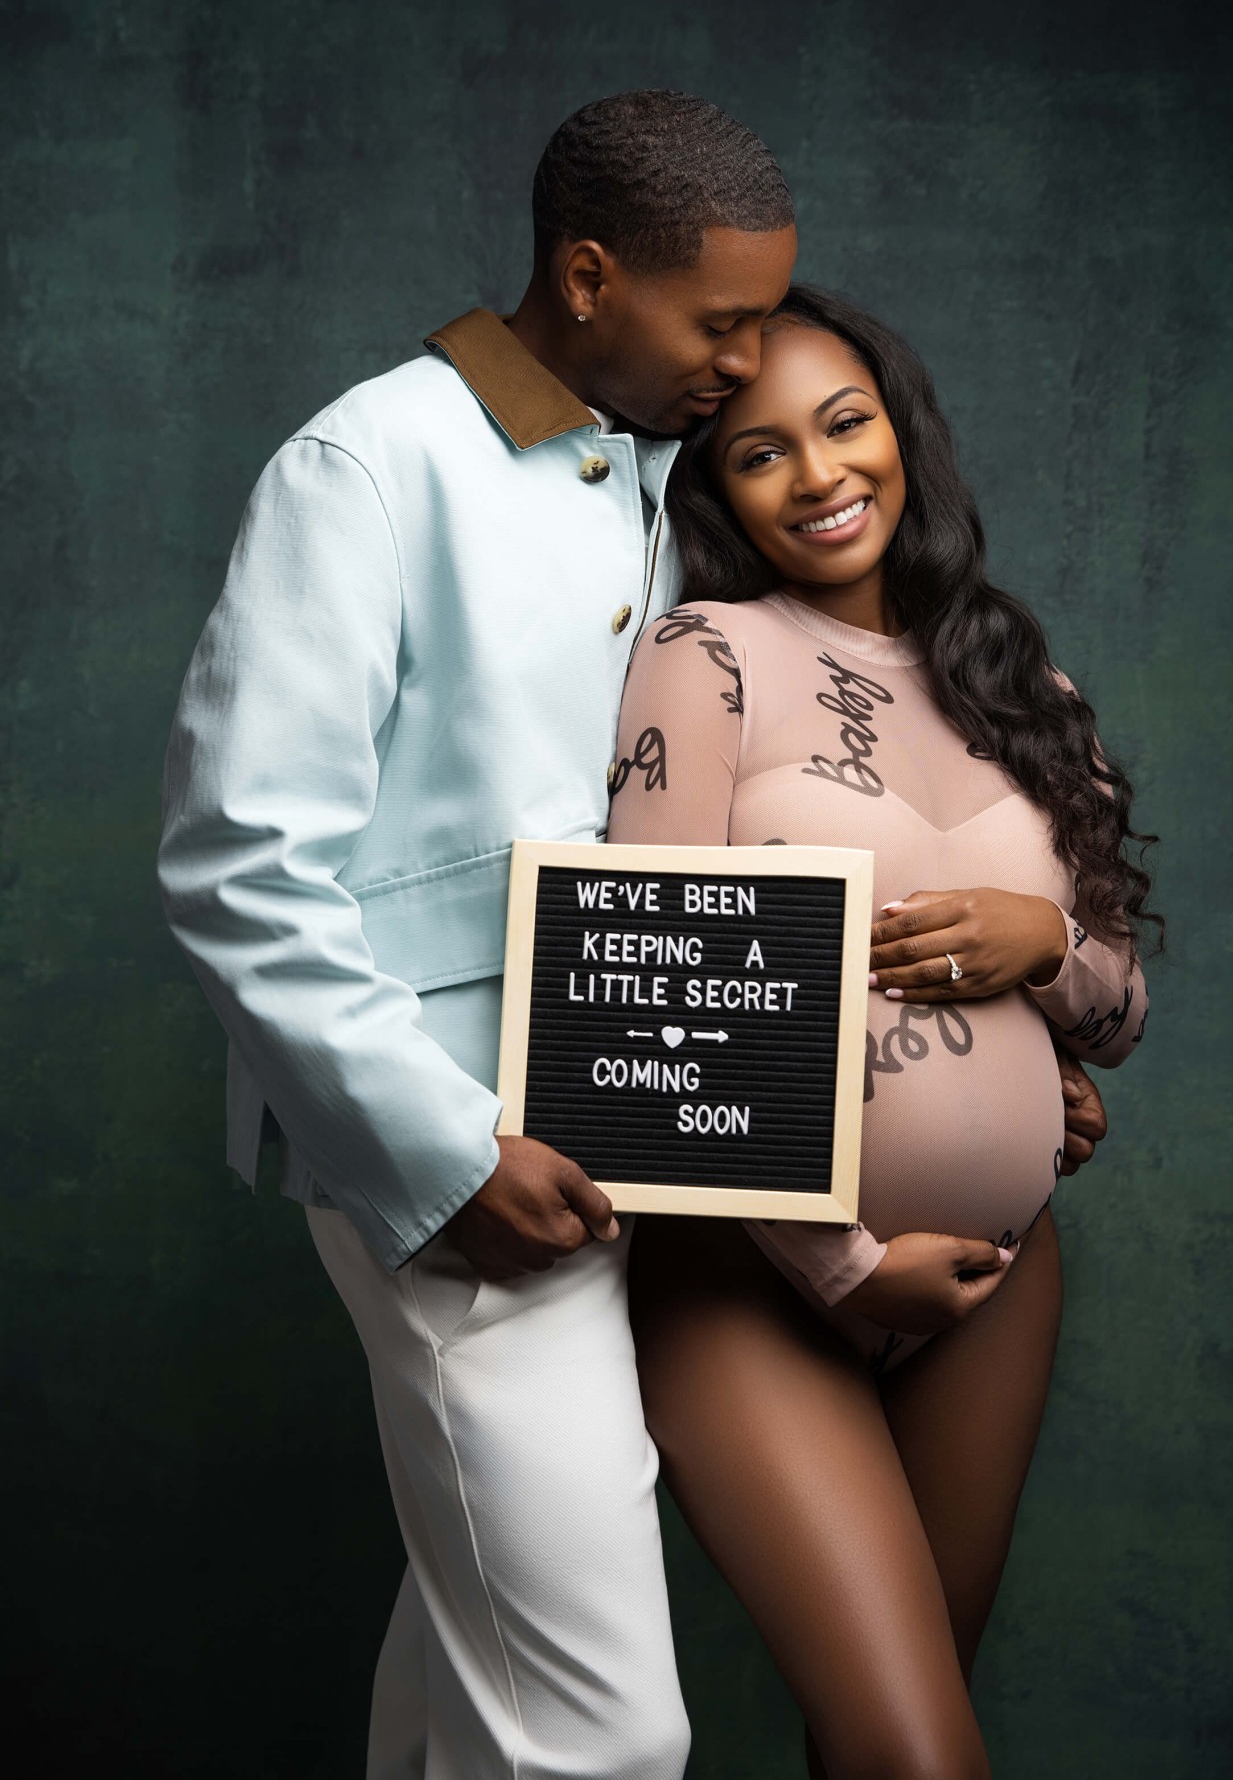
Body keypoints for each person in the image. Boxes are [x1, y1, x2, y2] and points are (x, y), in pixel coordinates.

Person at [156, 90, 800, 1780]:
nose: (751, 357)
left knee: (471, 1675)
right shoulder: (369, 461)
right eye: (718, 320)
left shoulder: (674, 482)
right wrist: (444, 1157)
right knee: (604, 1734)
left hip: (619, 1143)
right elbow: (237, 855)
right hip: (461, 1169)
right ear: (587, 275)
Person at [606, 284, 1159, 1780]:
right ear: (713, 489)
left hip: (996, 1279)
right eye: (758, 452)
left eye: (844, 424)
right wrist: (851, 1263)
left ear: (899, 431)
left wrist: (1043, 947)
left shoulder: (1015, 679)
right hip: (751, 1284)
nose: (820, 474)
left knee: (897, 1748)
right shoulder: (704, 654)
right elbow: (657, 1020)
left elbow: (1115, 1012)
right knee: (917, 1753)